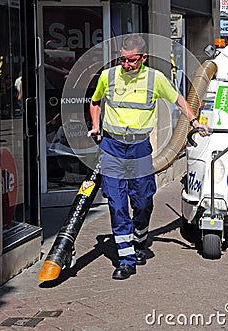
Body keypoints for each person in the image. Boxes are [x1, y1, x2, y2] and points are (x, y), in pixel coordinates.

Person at [88, 34, 210, 280]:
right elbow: (95, 101)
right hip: (112, 147)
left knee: (143, 200)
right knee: (117, 203)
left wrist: (194, 121)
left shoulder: (155, 79)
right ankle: (126, 258)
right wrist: (96, 125)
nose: (126, 65)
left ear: (143, 58)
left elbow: (179, 101)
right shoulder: (108, 76)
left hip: (139, 149)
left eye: (131, 60)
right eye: (122, 59)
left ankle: (139, 238)